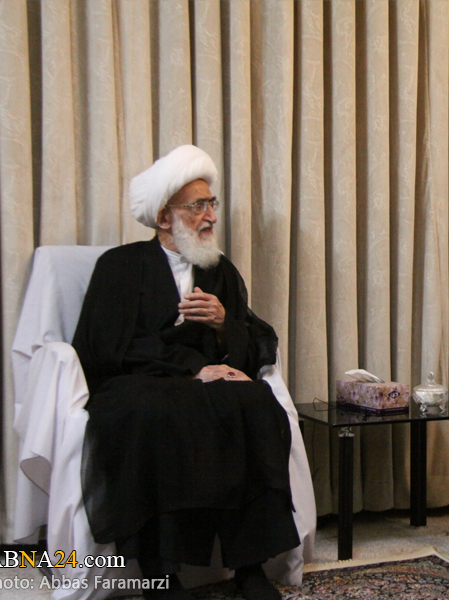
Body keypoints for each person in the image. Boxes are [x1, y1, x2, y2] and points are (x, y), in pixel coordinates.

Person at [73, 145, 303, 600]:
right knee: (154, 414)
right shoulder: (120, 266)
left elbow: (256, 337)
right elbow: (105, 345)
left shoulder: (218, 271)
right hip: (138, 383)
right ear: (164, 217)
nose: (211, 216)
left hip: (207, 383)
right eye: (198, 206)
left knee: (254, 402)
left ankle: (250, 566)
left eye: (211, 204)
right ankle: (161, 574)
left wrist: (223, 324)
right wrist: (194, 368)